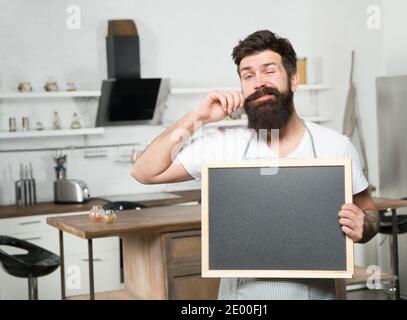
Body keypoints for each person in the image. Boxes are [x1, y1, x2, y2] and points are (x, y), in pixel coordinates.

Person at [132, 30, 380, 300]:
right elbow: (144, 172)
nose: (259, 82)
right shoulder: (223, 146)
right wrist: (198, 117)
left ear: (294, 79)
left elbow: (370, 212)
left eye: (269, 71)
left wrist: (363, 225)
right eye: (248, 75)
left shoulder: (335, 145)